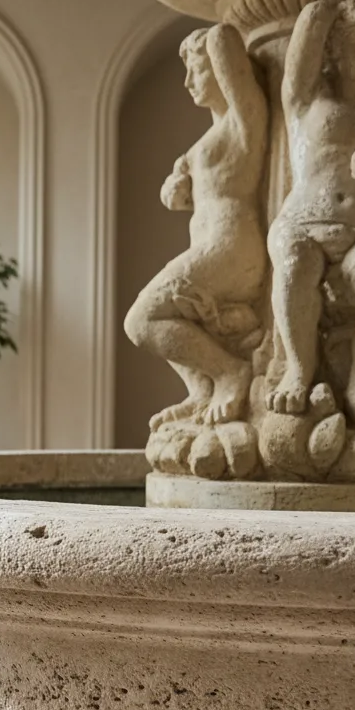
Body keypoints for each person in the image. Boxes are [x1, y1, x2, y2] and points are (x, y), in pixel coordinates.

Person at [123, 23, 268, 431]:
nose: (188, 82)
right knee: (155, 319)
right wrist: (179, 189)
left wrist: (214, 35)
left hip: (232, 248)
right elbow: (185, 196)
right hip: (212, 250)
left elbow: (223, 37)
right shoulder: (205, 142)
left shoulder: (243, 122)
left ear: (223, 71)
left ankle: (229, 373)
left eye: (197, 69)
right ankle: (202, 387)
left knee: (141, 320)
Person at [267, 0, 355, 442]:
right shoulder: (307, 104)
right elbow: (297, 65)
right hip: (304, 223)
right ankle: (298, 370)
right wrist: (321, 13)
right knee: (294, 264)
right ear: (335, 51)